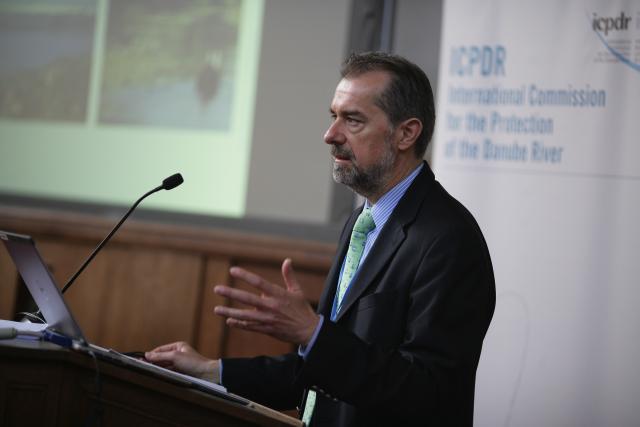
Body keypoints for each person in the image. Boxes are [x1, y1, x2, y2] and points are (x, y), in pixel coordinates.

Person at [146, 52, 495, 427]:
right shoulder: (361, 223)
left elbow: (428, 392)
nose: (331, 135)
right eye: (334, 116)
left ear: (406, 133)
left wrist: (313, 334)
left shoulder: (448, 239)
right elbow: (322, 366)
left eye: (353, 120)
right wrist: (212, 371)